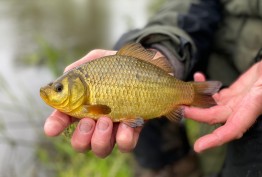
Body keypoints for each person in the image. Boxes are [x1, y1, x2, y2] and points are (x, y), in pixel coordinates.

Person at [44, 0, 262, 176]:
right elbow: (195, 7)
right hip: (215, 72)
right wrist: (164, 49)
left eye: (59, 88)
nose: (54, 92)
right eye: (59, 88)